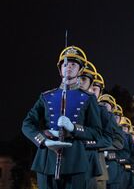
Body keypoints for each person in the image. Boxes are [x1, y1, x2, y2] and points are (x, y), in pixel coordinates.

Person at [21, 46, 102, 189]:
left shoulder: (88, 98)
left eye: (73, 64)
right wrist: (44, 140)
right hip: (46, 160)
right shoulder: (46, 97)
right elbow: (27, 124)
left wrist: (73, 128)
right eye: (65, 64)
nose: (68, 68)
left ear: (80, 69)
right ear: (60, 69)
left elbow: (96, 132)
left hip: (75, 161)